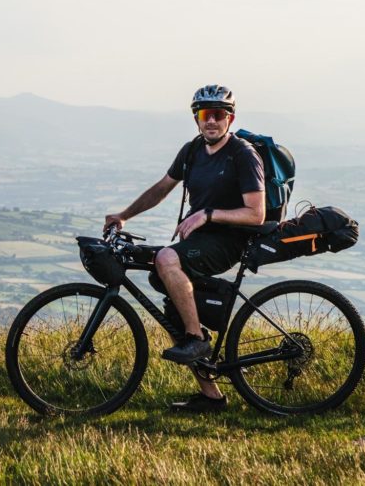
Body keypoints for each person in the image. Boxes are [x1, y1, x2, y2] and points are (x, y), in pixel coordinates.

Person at [102, 85, 265, 413]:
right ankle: (211, 397)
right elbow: (162, 188)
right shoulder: (191, 152)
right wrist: (124, 215)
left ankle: (198, 339)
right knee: (173, 311)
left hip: (229, 241)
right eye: (206, 115)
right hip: (198, 242)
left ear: (230, 118)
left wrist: (207, 215)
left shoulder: (242, 155)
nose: (212, 121)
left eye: (219, 115)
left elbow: (256, 214)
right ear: (197, 119)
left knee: (166, 258)